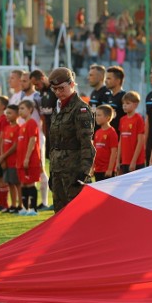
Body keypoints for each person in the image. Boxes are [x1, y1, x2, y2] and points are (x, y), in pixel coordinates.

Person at [47, 67, 95, 212]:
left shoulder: (81, 110)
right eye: (54, 89)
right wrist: (52, 172)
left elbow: (87, 144)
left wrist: (83, 173)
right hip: (58, 170)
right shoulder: (58, 108)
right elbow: (54, 143)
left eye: (61, 88)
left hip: (74, 171)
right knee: (59, 214)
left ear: (72, 84)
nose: (58, 92)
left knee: (75, 214)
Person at [16, 99, 42, 216]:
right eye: (19, 109)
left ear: (30, 110)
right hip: (21, 159)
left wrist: (27, 158)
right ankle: (25, 208)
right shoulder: (22, 125)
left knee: (31, 183)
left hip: (30, 159)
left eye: (22, 108)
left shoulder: (32, 123)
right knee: (24, 183)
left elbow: (33, 140)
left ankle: (33, 208)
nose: (20, 111)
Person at [0, 104, 22, 213]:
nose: (7, 115)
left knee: (17, 183)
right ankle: (12, 205)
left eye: (10, 113)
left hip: (14, 161)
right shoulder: (6, 128)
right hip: (6, 161)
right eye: (6, 113)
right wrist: (2, 157)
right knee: (9, 183)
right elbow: (3, 143)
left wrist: (4, 155)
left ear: (17, 115)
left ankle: (20, 205)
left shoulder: (18, 128)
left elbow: (15, 145)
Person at [117, 92, 146, 174]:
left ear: (135, 105)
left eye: (128, 103)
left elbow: (140, 141)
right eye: (123, 103)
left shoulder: (138, 119)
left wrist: (134, 161)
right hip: (125, 161)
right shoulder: (122, 120)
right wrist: (118, 161)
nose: (124, 105)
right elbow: (120, 141)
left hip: (137, 162)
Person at [92, 105, 119, 181]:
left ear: (107, 117)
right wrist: (92, 167)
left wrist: (110, 169)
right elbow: (94, 151)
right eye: (96, 115)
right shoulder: (97, 132)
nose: (96, 117)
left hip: (106, 170)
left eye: (99, 115)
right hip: (98, 169)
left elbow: (114, 152)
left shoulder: (112, 132)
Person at [105, 66, 127, 133]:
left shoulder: (124, 97)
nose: (105, 81)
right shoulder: (108, 96)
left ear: (118, 81)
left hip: (119, 136)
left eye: (109, 78)